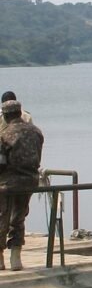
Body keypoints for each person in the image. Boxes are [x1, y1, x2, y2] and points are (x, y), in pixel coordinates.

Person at [0, 100, 44, 271]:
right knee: (19, 218)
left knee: (2, 217)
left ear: (5, 115)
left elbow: (1, 164)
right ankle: (16, 258)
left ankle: (0, 259)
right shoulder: (36, 132)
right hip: (30, 181)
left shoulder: (4, 135)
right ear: (19, 113)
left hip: (7, 183)